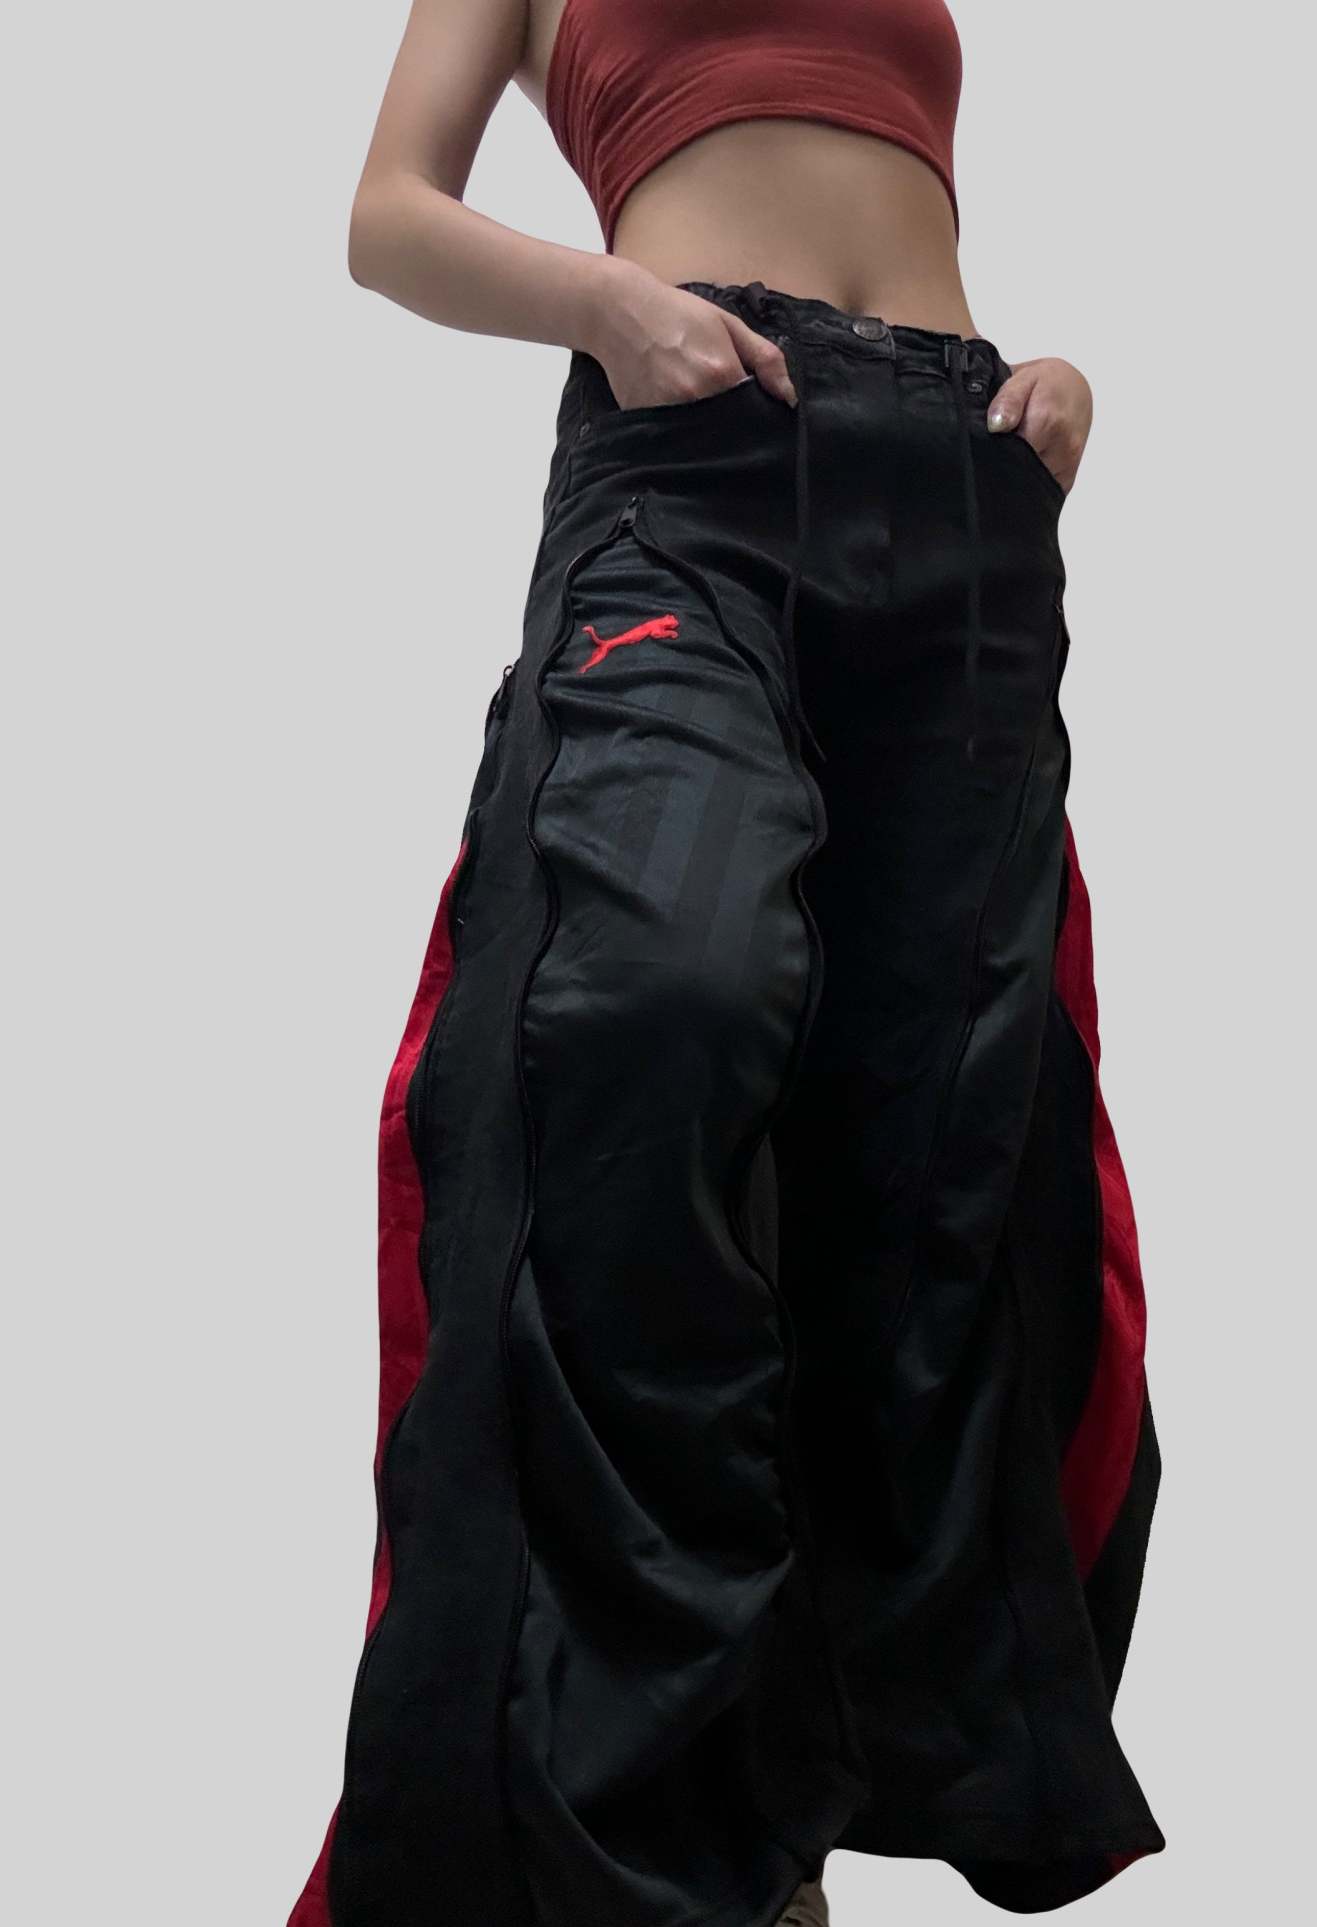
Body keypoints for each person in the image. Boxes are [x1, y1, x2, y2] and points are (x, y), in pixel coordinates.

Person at [288, 4, 1164, 1923]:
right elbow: (387, 216)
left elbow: (890, 184)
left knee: (928, 1135)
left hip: (962, 477)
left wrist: (1057, 386)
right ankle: (617, 1806)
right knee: (646, 1011)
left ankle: (788, 1803)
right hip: (688, 462)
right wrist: (609, 308)